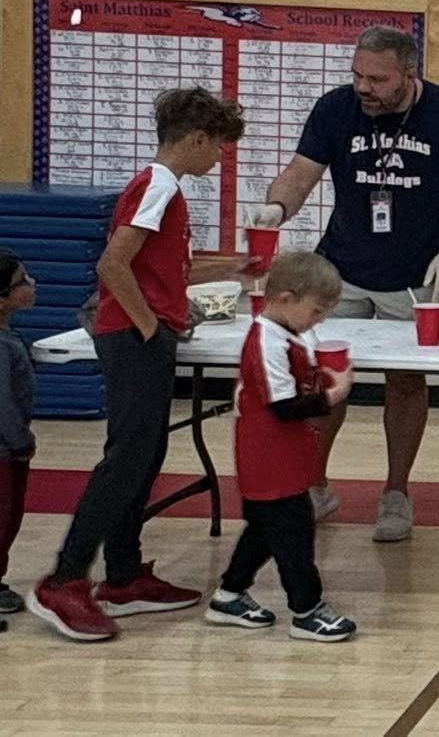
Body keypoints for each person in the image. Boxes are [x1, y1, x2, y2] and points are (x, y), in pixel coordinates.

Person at [252, 25, 439, 542]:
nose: (363, 87)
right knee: (324, 379)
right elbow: (301, 173)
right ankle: (314, 485)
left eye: (377, 79)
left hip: (416, 276)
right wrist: (276, 207)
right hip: (339, 271)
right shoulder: (335, 108)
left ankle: (395, 492)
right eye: (357, 75)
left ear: (409, 74)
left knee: (405, 382)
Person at [28, 87, 251, 642]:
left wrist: (239, 267)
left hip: (141, 335)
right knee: (126, 460)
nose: (220, 158)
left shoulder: (163, 189)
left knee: (145, 455)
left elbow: (165, 268)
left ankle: (123, 576)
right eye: (218, 147)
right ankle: (64, 578)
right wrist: (150, 326)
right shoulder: (158, 184)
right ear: (197, 139)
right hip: (134, 338)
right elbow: (113, 263)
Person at [206, 250, 357, 642]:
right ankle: (307, 610)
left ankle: (228, 594)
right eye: (317, 311)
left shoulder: (286, 335)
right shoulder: (266, 343)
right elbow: (285, 405)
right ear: (287, 299)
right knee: (294, 536)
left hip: (280, 457)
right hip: (268, 458)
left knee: (262, 530)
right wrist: (333, 395)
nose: (319, 320)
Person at [0, 248, 36, 617]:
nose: (32, 284)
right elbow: (3, 405)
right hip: (4, 452)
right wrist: (20, 441)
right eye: (22, 281)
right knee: (3, 518)